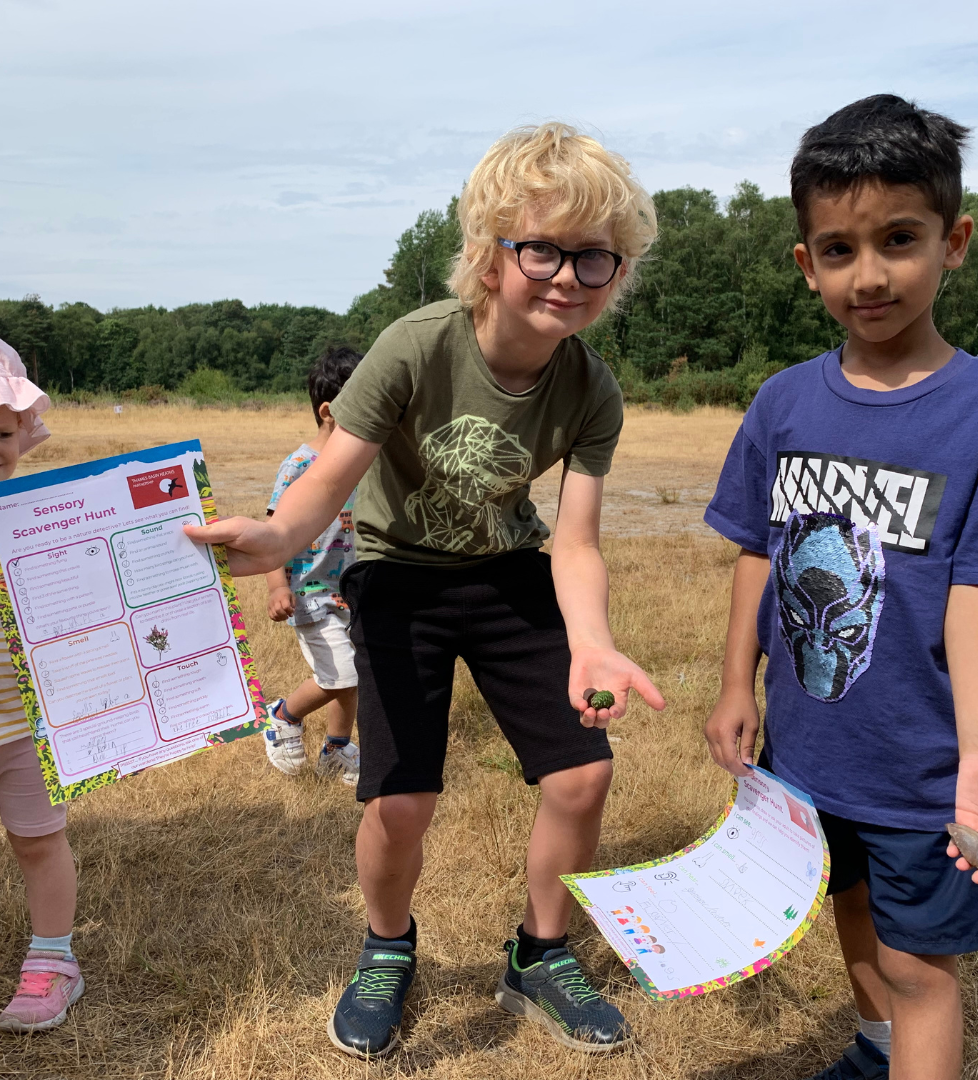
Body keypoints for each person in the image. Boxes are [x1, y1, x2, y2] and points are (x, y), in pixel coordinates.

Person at [187, 122, 666, 1057]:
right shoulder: (414, 346)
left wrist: (595, 639)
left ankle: (539, 954)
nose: (568, 275)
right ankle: (387, 947)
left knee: (583, 773)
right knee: (400, 800)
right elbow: (330, 477)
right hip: (397, 575)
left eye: (596, 258)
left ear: (619, 273)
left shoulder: (591, 389)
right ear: (492, 255)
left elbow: (574, 542)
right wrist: (281, 535)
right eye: (543, 249)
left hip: (505, 573)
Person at [703, 95, 978, 1080]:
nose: (868, 275)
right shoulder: (782, 403)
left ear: (953, 242)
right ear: (805, 262)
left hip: (919, 767)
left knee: (920, 971)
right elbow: (753, 547)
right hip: (810, 749)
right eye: (837, 249)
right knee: (848, 906)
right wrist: (738, 686)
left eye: (898, 239)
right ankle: (874, 1054)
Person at [0, 339, 84, 1033]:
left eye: (1, 431)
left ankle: (53, 960)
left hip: (20, 718)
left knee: (39, 839)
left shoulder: (37, 517)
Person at [262, 346, 363, 784]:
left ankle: (337, 749)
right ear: (330, 412)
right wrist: (275, 587)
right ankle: (284, 715)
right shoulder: (300, 465)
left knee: (351, 672)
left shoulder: (362, 460)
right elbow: (272, 531)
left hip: (354, 589)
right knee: (340, 673)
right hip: (311, 592)